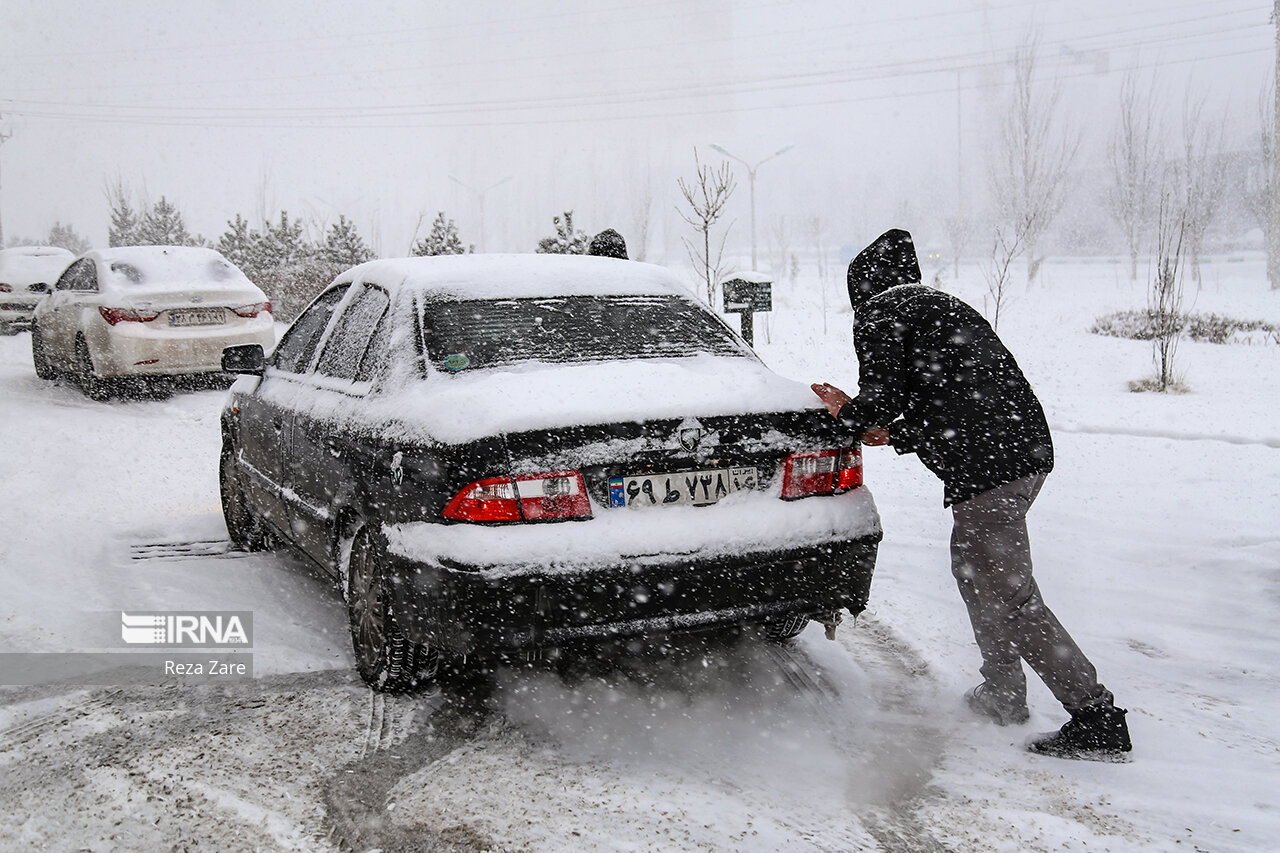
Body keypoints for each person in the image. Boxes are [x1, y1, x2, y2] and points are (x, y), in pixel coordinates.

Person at [811, 228, 1132, 761]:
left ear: (861, 287)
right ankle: (1002, 693)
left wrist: (849, 411)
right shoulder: (940, 308)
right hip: (1023, 453)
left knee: (1009, 593)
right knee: (977, 574)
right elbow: (958, 396)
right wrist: (896, 434)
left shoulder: (881, 313)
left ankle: (1095, 715)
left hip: (990, 469)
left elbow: (883, 399)